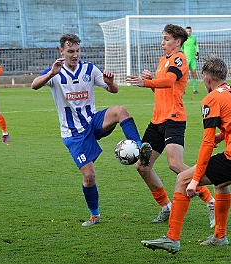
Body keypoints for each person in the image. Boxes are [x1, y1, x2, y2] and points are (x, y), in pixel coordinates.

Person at [141, 55, 231, 254]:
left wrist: (195, 180)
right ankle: (219, 236)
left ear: (207, 80)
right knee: (221, 183)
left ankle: (172, 238)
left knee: (183, 179)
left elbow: (207, 143)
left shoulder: (211, 98)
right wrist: (223, 136)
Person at [31, 34, 152, 227]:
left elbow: (114, 90)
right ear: (61, 51)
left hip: (93, 121)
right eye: (71, 51)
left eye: (77, 51)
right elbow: (34, 85)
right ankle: (94, 215)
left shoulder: (89, 69)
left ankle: (139, 148)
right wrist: (51, 74)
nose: (75, 55)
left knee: (120, 110)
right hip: (73, 134)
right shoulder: (56, 73)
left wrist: (110, 82)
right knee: (89, 176)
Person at [126, 24, 215, 227]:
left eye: (166, 39)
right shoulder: (162, 61)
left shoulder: (179, 59)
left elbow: (168, 81)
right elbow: (161, 90)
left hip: (174, 119)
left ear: (178, 41)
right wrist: (150, 82)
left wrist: (146, 82)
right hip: (157, 120)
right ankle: (166, 207)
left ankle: (211, 202)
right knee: (142, 166)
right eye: (163, 38)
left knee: (175, 165)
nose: (162, 42)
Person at [181, 26, 200, 94]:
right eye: (187, 31)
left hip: (193, 59)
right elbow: (182, 48)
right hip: (186, 59)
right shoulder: (183, 39)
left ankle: (195, 90)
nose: (188, 32)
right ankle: (182, 90)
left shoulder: (193, 38)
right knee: (184, 74)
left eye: (190, 31)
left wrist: (197, 53)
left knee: (194, 73)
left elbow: (196, 45)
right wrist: (183, 55)